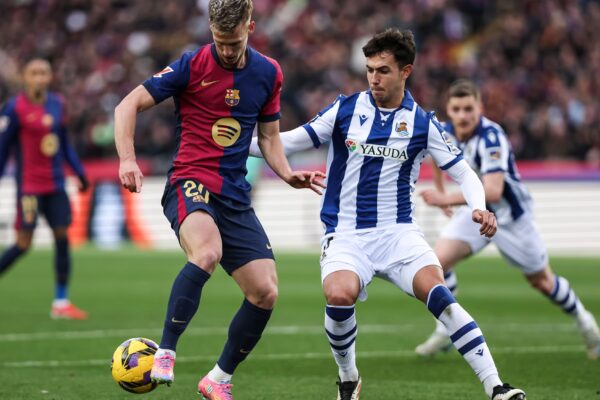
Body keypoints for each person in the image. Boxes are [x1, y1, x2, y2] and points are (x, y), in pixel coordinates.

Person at [250, 29, 526, 400]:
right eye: (369, 70)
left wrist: (478, 207)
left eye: (383, 70)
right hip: (346, 233)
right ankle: (348, 378)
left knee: (441, 296)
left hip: (398, 233)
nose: (374, 78)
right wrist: (235, 143)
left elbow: (465, 174)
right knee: (339, 295)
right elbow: (288, 141)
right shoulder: (345, 109)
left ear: (405, 71)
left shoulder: (422, 123)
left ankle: (497, 387)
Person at [113, 0, 324, 398]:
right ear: (211, 31)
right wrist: (127, 158)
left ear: (250, 28)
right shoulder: (191, 65)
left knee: (265, 291)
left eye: (234, 42)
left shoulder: (268, 73)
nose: (226, 50)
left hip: (234, 195)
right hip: (189, 181)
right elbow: (127, 105)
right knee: (207, 252)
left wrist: (287, 173)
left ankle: (218, 379)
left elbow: (269, 137)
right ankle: (165, 353)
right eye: (220, 41)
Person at [415, 79, 600, 360]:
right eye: (457, 109)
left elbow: (493, 190)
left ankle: (586, 323)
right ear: (449, 111)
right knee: (437, 263)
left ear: (480, 108)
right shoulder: (445, 132)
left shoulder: (492, 137)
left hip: (510, 219)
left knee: (542, 281)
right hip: (477, 214)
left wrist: (445, 199)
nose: (463, 115)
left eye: (468, 109)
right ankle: (446, 330)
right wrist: (442, 192)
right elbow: (436, 159)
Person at [0, 58, 89, 320]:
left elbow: (64, 143)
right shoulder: (14, 107)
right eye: (34, 73)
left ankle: (61, 302)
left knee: (62, 237)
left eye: (44, 73)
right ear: (25, 78)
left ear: (50, 77)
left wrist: (79, 172)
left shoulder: (58, 103)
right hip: (29, 187)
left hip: (56, 184)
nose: (39, 77)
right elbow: (3, 148)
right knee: (23, 244)